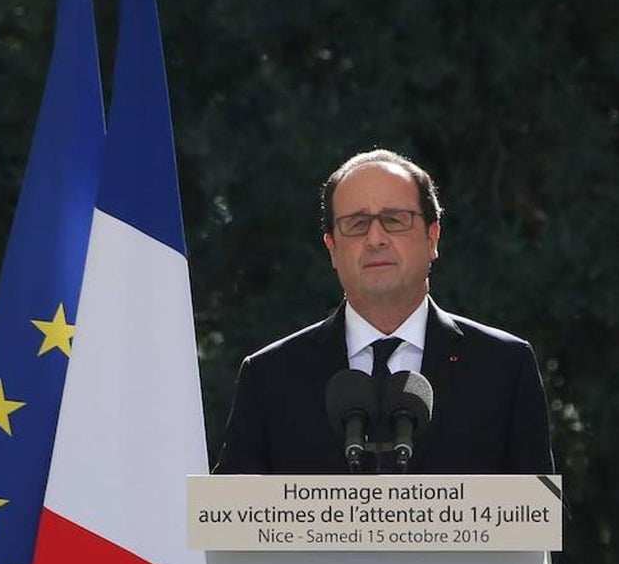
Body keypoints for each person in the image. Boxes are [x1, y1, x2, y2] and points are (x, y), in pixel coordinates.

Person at [214, 149, 554, 475]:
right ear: (332, 248)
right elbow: (231, 520)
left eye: (394, 220)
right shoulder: (269, 376)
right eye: (357, 224)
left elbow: (541, 521)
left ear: (432, 236)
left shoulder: (504, 366)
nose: (376, 238)